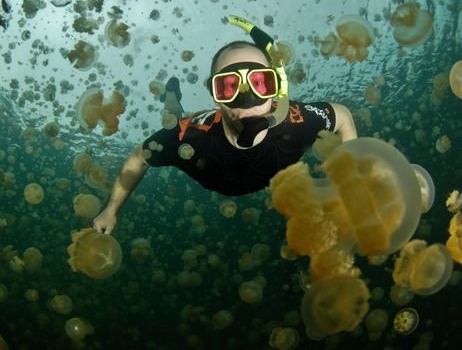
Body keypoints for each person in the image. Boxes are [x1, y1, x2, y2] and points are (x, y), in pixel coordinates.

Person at [93, 16, 357, 234]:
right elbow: (141, 156)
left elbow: (342, 116)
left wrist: (349, 178)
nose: (246, 98)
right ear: (215, 95)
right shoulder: (191, 137)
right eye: (229, 86)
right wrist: (111, 210)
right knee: (175, 115)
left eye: (259, 82)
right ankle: (172, 99)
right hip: (200, 141)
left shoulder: (297, 120)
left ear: (277, 88)